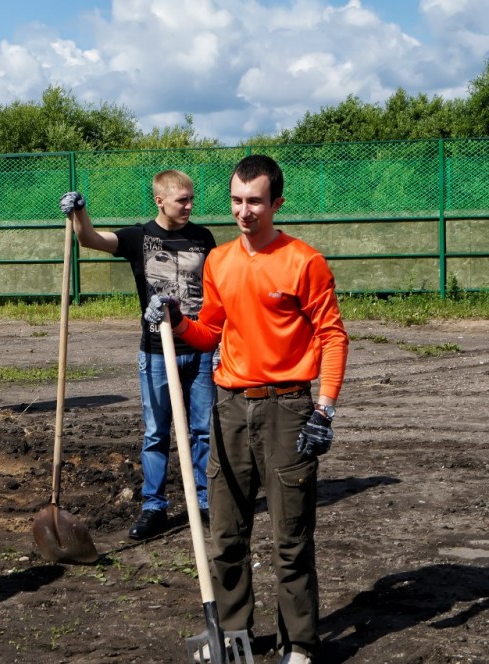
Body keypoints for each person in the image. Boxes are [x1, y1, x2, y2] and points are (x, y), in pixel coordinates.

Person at [144, 155, 348, 664]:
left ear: (276, 203)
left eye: (254, 201)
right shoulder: (221, 261)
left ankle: (297, 643)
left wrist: (324, 410)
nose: (244, 211)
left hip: (288, 410)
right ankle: (231, 638)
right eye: (236, 200)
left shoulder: (304, 261)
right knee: (226, 535)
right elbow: (208, 331)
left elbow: (332, 337)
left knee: (290, 539)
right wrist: (173, 316)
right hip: (229, 408)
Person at [60, 170, 217, 541]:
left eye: (192, 198)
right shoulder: (138, 236)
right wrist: (80, 213)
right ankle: (154, 507)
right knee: (155, 433)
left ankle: (205, 501)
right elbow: (89, 239)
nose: (190, 206)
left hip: (198, 347)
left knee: (202, 431)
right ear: (160, 200)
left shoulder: (203, 238)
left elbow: (215, 290)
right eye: (183, 200)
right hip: (156, 352)